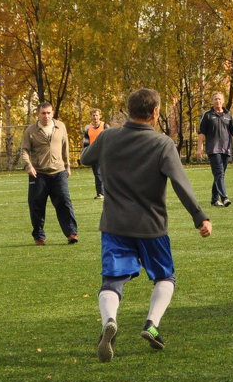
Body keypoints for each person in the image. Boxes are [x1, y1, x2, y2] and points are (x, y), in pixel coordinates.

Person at [80, 87, 212, 360]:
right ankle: (151, 324)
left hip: (115, 225)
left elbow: (85, 158)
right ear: (155, 113)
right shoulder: (162, 143)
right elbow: (180, 183)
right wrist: (199, 216)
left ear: (129, 111)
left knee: (112, 281)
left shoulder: (107, 137)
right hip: (152, 226)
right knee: (165, 277)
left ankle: (109, 322)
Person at [20, 101, 79, 245]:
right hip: (38, 173)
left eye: (48, 113)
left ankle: (72, 233)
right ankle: (39, 236)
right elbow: (24, 150)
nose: (46, 116)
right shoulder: (30, 131)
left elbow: (65, 146)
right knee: (36, 205)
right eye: (43, 113)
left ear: (52, 113)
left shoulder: (61, 126)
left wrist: (67, 166)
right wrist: (28, 165)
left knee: (64, 202)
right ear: (37, 114)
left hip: (59, 172)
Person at [197, 92, 233, 207]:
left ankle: (214, 199)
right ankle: (224, 198)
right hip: (213, 149)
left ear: (222, 101)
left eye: (219, 99)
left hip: (226, 148)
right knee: (219, 173)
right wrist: (200, 148)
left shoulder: (228, 114)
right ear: (212, 101)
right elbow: (201, 132)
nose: (217, 101)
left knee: (220, 174)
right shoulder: (207, 115)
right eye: (215, 99)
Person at [82, 108, 110, 199]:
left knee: (104, 173)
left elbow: (110, 140)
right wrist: (85, 152)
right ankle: (100, 193)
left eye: (97, 115)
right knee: (97, 173)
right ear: (91, 116)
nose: (95, 117)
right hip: (93, 153)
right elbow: (86, 142)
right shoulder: (87, 127)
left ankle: (104, 193)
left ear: (100, 116)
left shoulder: (105, 126)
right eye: (93, 115)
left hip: (104, 152)